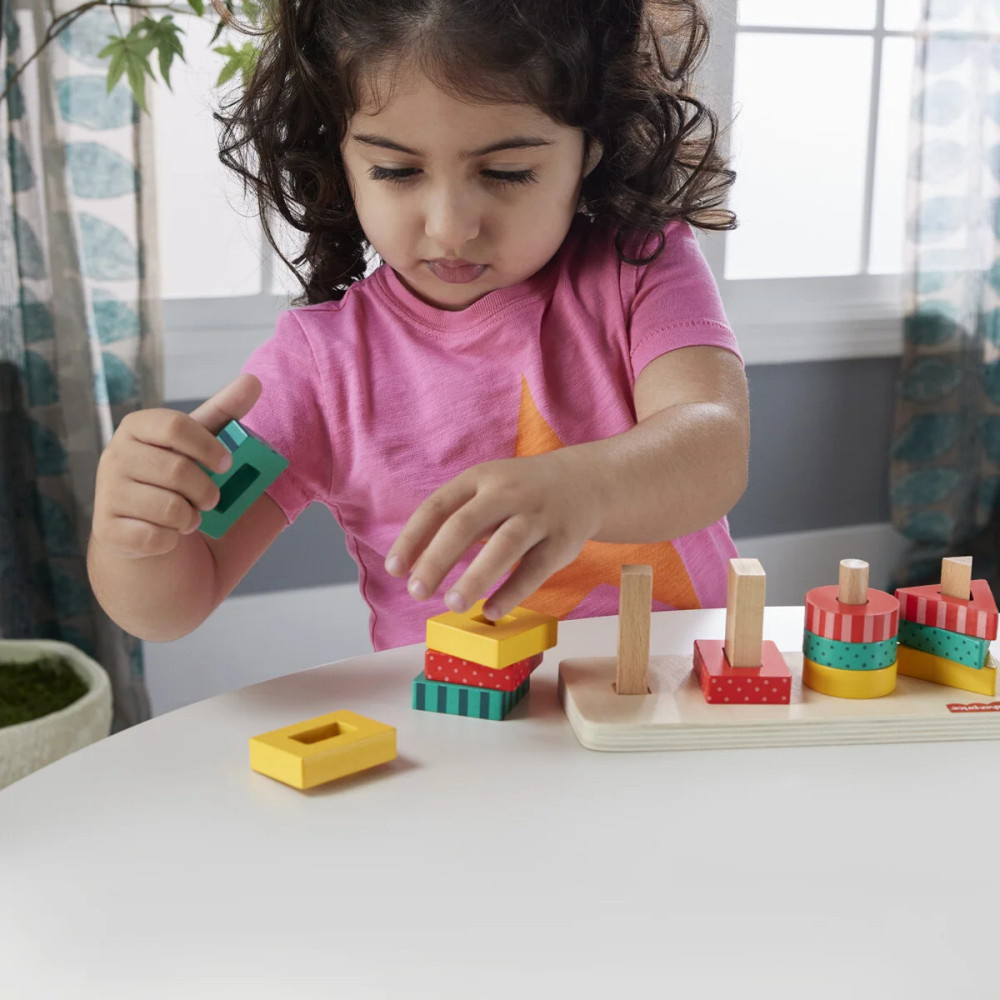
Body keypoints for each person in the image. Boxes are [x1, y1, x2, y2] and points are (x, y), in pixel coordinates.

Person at [87, 0, 750, 652]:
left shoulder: (641, 262)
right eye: (397, 171)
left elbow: (714, 448)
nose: (451, 226)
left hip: (672, 702)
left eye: (508, 172)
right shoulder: (318, 367)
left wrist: (586, 486)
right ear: (341, 162)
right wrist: (133, 535)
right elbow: (175, 604)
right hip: (458, 738)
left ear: (588, 155)